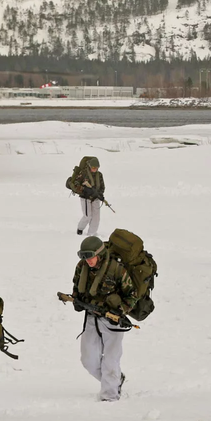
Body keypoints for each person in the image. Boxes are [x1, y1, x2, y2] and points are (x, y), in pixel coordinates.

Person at [69, 236, 137, 402]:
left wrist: (120, 311)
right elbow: (76, 285)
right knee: (88, 359)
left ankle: (110, 397)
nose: (87, 260)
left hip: (113, 321)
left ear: (99, 254)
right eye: (83, 256)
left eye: (90, 256)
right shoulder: (82, 267)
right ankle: (115, 380)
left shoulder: (117, 269)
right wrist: (77, 300)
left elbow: (132, 295)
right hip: (92, 317)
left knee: (111, 360)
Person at [75, 157, 105, 236]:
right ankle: (80, 228)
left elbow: (102, 187)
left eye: (96, 167)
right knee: (87, 216)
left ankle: (91, 234)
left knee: (96, 218)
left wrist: (100, 194)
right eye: (93, 167)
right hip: (85, 198)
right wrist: (84, 189)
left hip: (95, 198)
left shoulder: (100, 175)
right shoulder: (83, 173)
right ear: (89, 166)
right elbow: (76, 184)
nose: (95, 169)